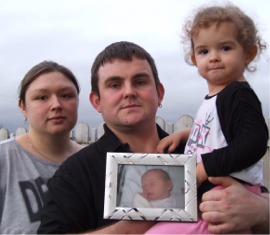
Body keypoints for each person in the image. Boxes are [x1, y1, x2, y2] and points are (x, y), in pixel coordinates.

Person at [38, 41, 269, 234]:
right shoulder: (76, 174)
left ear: (159, 93)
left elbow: (255, 194)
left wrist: (261, 212)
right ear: (96, 101)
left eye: (140, 81)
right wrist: (130, 228)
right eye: (115, 84)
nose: (129, 92)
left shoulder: (200, 150)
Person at [147, 3, 269, 234]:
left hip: (226, 198)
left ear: (249, 53)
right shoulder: (217, 96)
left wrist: (204, 169)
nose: (213, 58)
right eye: (204, 51)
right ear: (194, 58)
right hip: (211, 200)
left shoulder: (238, 95)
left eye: (225, 48)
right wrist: (187, 134)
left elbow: (253, 143)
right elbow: (219, 133)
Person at [0, 61, 83, 234]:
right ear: (23, 107)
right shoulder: (4, 159)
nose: (56, 105)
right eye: (42, 97)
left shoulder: (93, 163)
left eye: (66, 95)